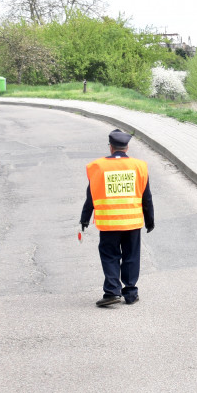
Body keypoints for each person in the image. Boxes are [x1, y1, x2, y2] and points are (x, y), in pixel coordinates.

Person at [80, 129, 154, 307]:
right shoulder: (139, 166)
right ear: (127, 147)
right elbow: (147, 196)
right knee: (131, 256)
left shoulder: (98, 167)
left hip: (108, 223)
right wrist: (150, 220)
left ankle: (112, 291)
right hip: (132, 222)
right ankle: (130, 293)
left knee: (110, 256)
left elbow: (91, 196)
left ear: (111, 147)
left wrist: (84, 219)